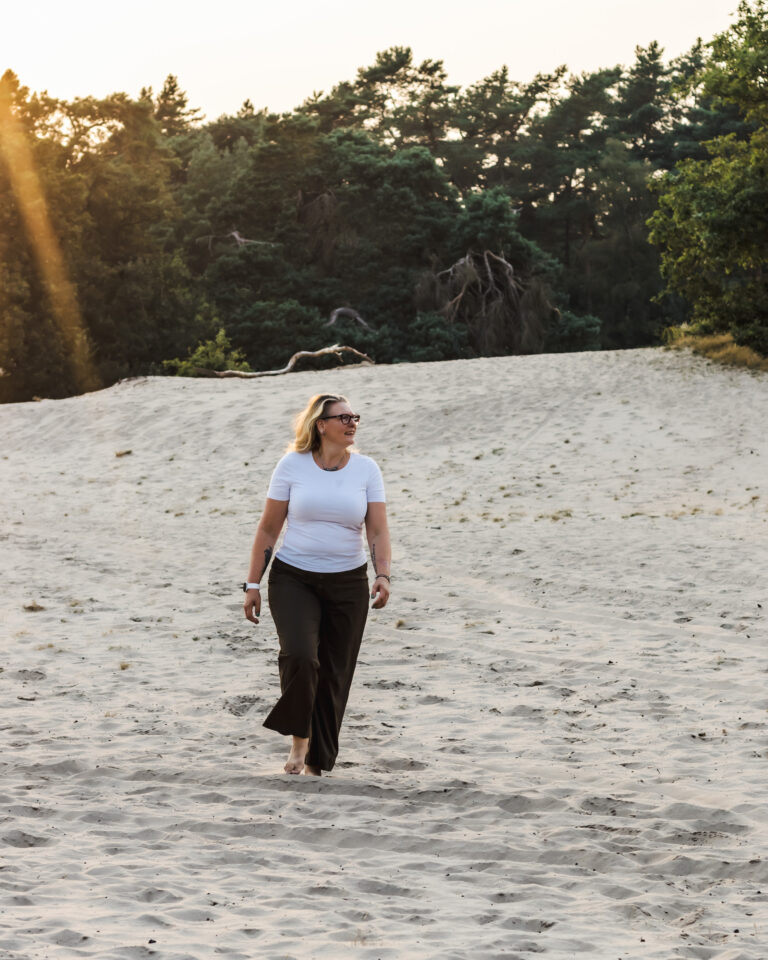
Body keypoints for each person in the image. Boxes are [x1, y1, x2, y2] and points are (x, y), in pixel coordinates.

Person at [243, 393, 391, 776]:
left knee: (335, 672)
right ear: (320, 425)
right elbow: (269, 527)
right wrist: (252, 583)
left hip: (348, 581)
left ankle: (317, 762)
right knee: (301, 658)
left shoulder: (367, 470)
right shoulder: (291, 465)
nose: (352, 422)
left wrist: (383, 575)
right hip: (294, 576)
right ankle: (299, 739)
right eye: (342, 417)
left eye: (354, 416)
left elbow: (376, 529)